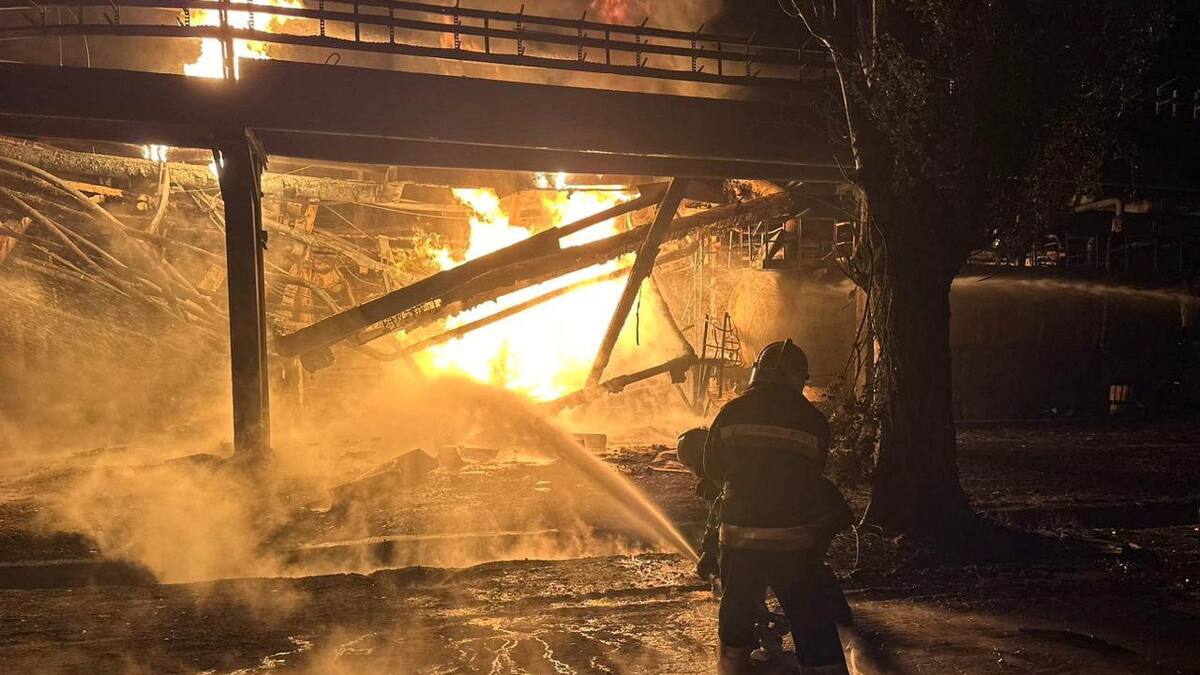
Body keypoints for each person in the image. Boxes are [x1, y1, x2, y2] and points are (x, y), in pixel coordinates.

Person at [702, 339, 852, 675]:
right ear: (799, 378)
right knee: (809, 614)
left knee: (737, 608)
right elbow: (814, 473)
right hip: (793, 538)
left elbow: (712, 468)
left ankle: (732, 666)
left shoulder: (733, 411)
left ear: (758, 372)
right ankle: (824, 668)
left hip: (738, 536)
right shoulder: (812, 420)